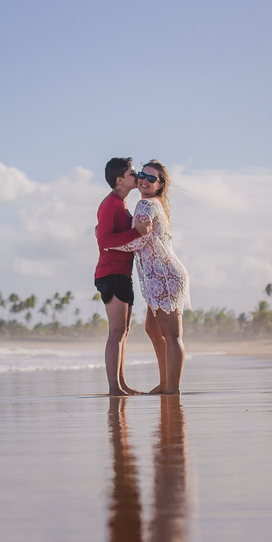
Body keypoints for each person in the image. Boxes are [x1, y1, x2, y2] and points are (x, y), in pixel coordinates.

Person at [111, 160, 190, 394]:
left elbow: (138, 239)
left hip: (165, 277)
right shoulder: (155, 204)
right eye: (141, 174)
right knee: (153, 330)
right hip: (159, 278)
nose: (144, 179)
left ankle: (172, 388)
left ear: (160, 184)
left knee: (172, 335)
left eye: (151, 178)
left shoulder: (146, 205)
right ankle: (166, 382)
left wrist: (107, 243)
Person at [96, 157, 152, 396]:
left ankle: (122, 384)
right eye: (132, 172)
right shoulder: (111, 204)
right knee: (116, 332)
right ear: (120, 180)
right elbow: (104, 241)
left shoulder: (121, 203)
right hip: (111, 273)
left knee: (123, 333)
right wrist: (135, 232)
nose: (137, 175)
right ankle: (114, 388)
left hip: (122, 273)